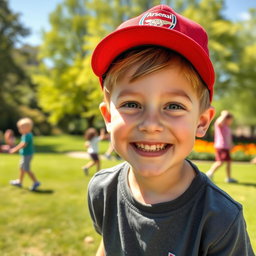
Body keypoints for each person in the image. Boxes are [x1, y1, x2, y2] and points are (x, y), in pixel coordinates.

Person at [87, 5, 254, 256]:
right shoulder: (102, 190)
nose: (151, 124)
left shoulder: (220, 218)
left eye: (173, 106)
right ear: (108, 117)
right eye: (131, 104)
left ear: (201, 121)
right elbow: (107, 246)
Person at [9, 117, 41, 191]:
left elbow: (23, 144)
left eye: (22, 127)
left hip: (27, 155)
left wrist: (14, 149)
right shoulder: (25, 135)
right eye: (19, 128)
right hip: (25, 155)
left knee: (26, 169)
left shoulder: (27, 135)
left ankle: (36, 182)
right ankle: (19, 182)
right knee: (22, 168)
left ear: (29, 128)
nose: (20, 129)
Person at [206, 110, 237, 183]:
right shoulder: (221, 125)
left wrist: (231, 144)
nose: (231, 121)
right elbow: (218, 122)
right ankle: (209, 173)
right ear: (226, 119)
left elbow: (228, 138)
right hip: (221, 146)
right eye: (230, 120)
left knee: (228, 162)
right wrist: (224, 114)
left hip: (226, 147)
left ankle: (228, 178)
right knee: (220, 162)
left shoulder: (227, 127)